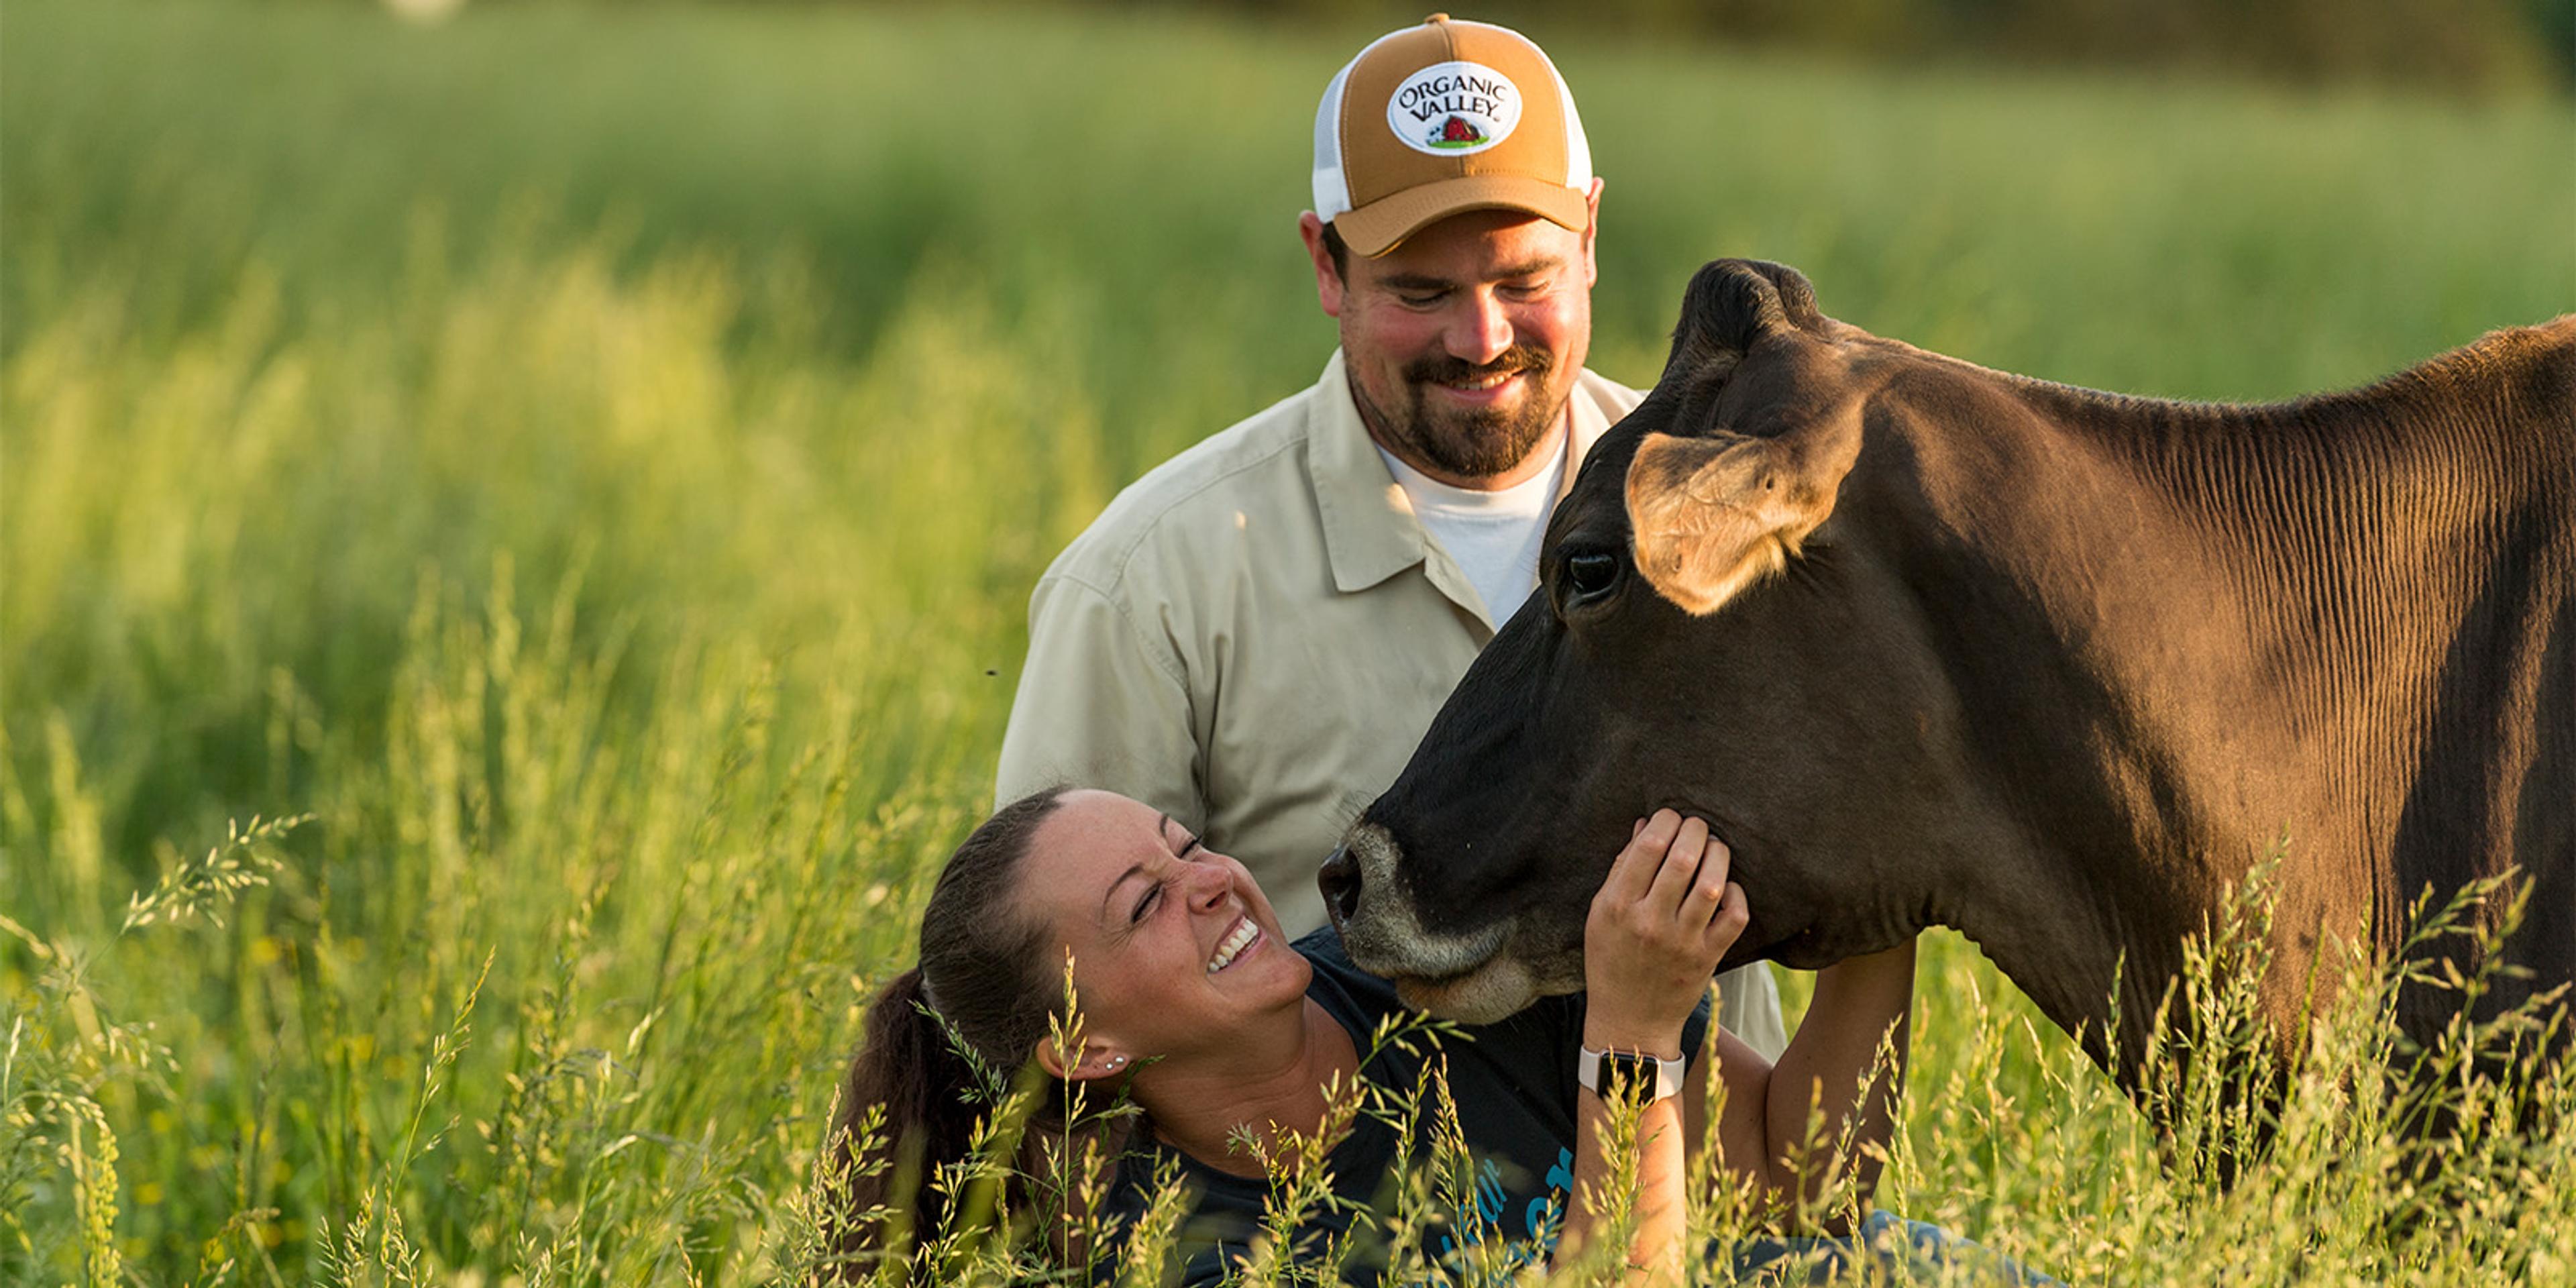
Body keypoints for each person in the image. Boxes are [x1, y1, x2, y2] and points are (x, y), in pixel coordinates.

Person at [994, 13, 1786, 1056]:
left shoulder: (1734, 513)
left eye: (1524, 281)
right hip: (1348, 1215)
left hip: (1721, 1198)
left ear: (1590, 238)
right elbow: (1058, 996)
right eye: (1423, 292)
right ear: (1327, 265)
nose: (1483, 338)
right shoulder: (1152, 586)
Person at [824, 788, 1949, 1285]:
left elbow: (1801, 1183)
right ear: (1085, 1046)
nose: (1210, 883)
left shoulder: (1432, 974)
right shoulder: (1190, 1257)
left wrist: (1881, 886)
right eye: (1143, 904)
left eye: (1184, 845)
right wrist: (1634, 1038)